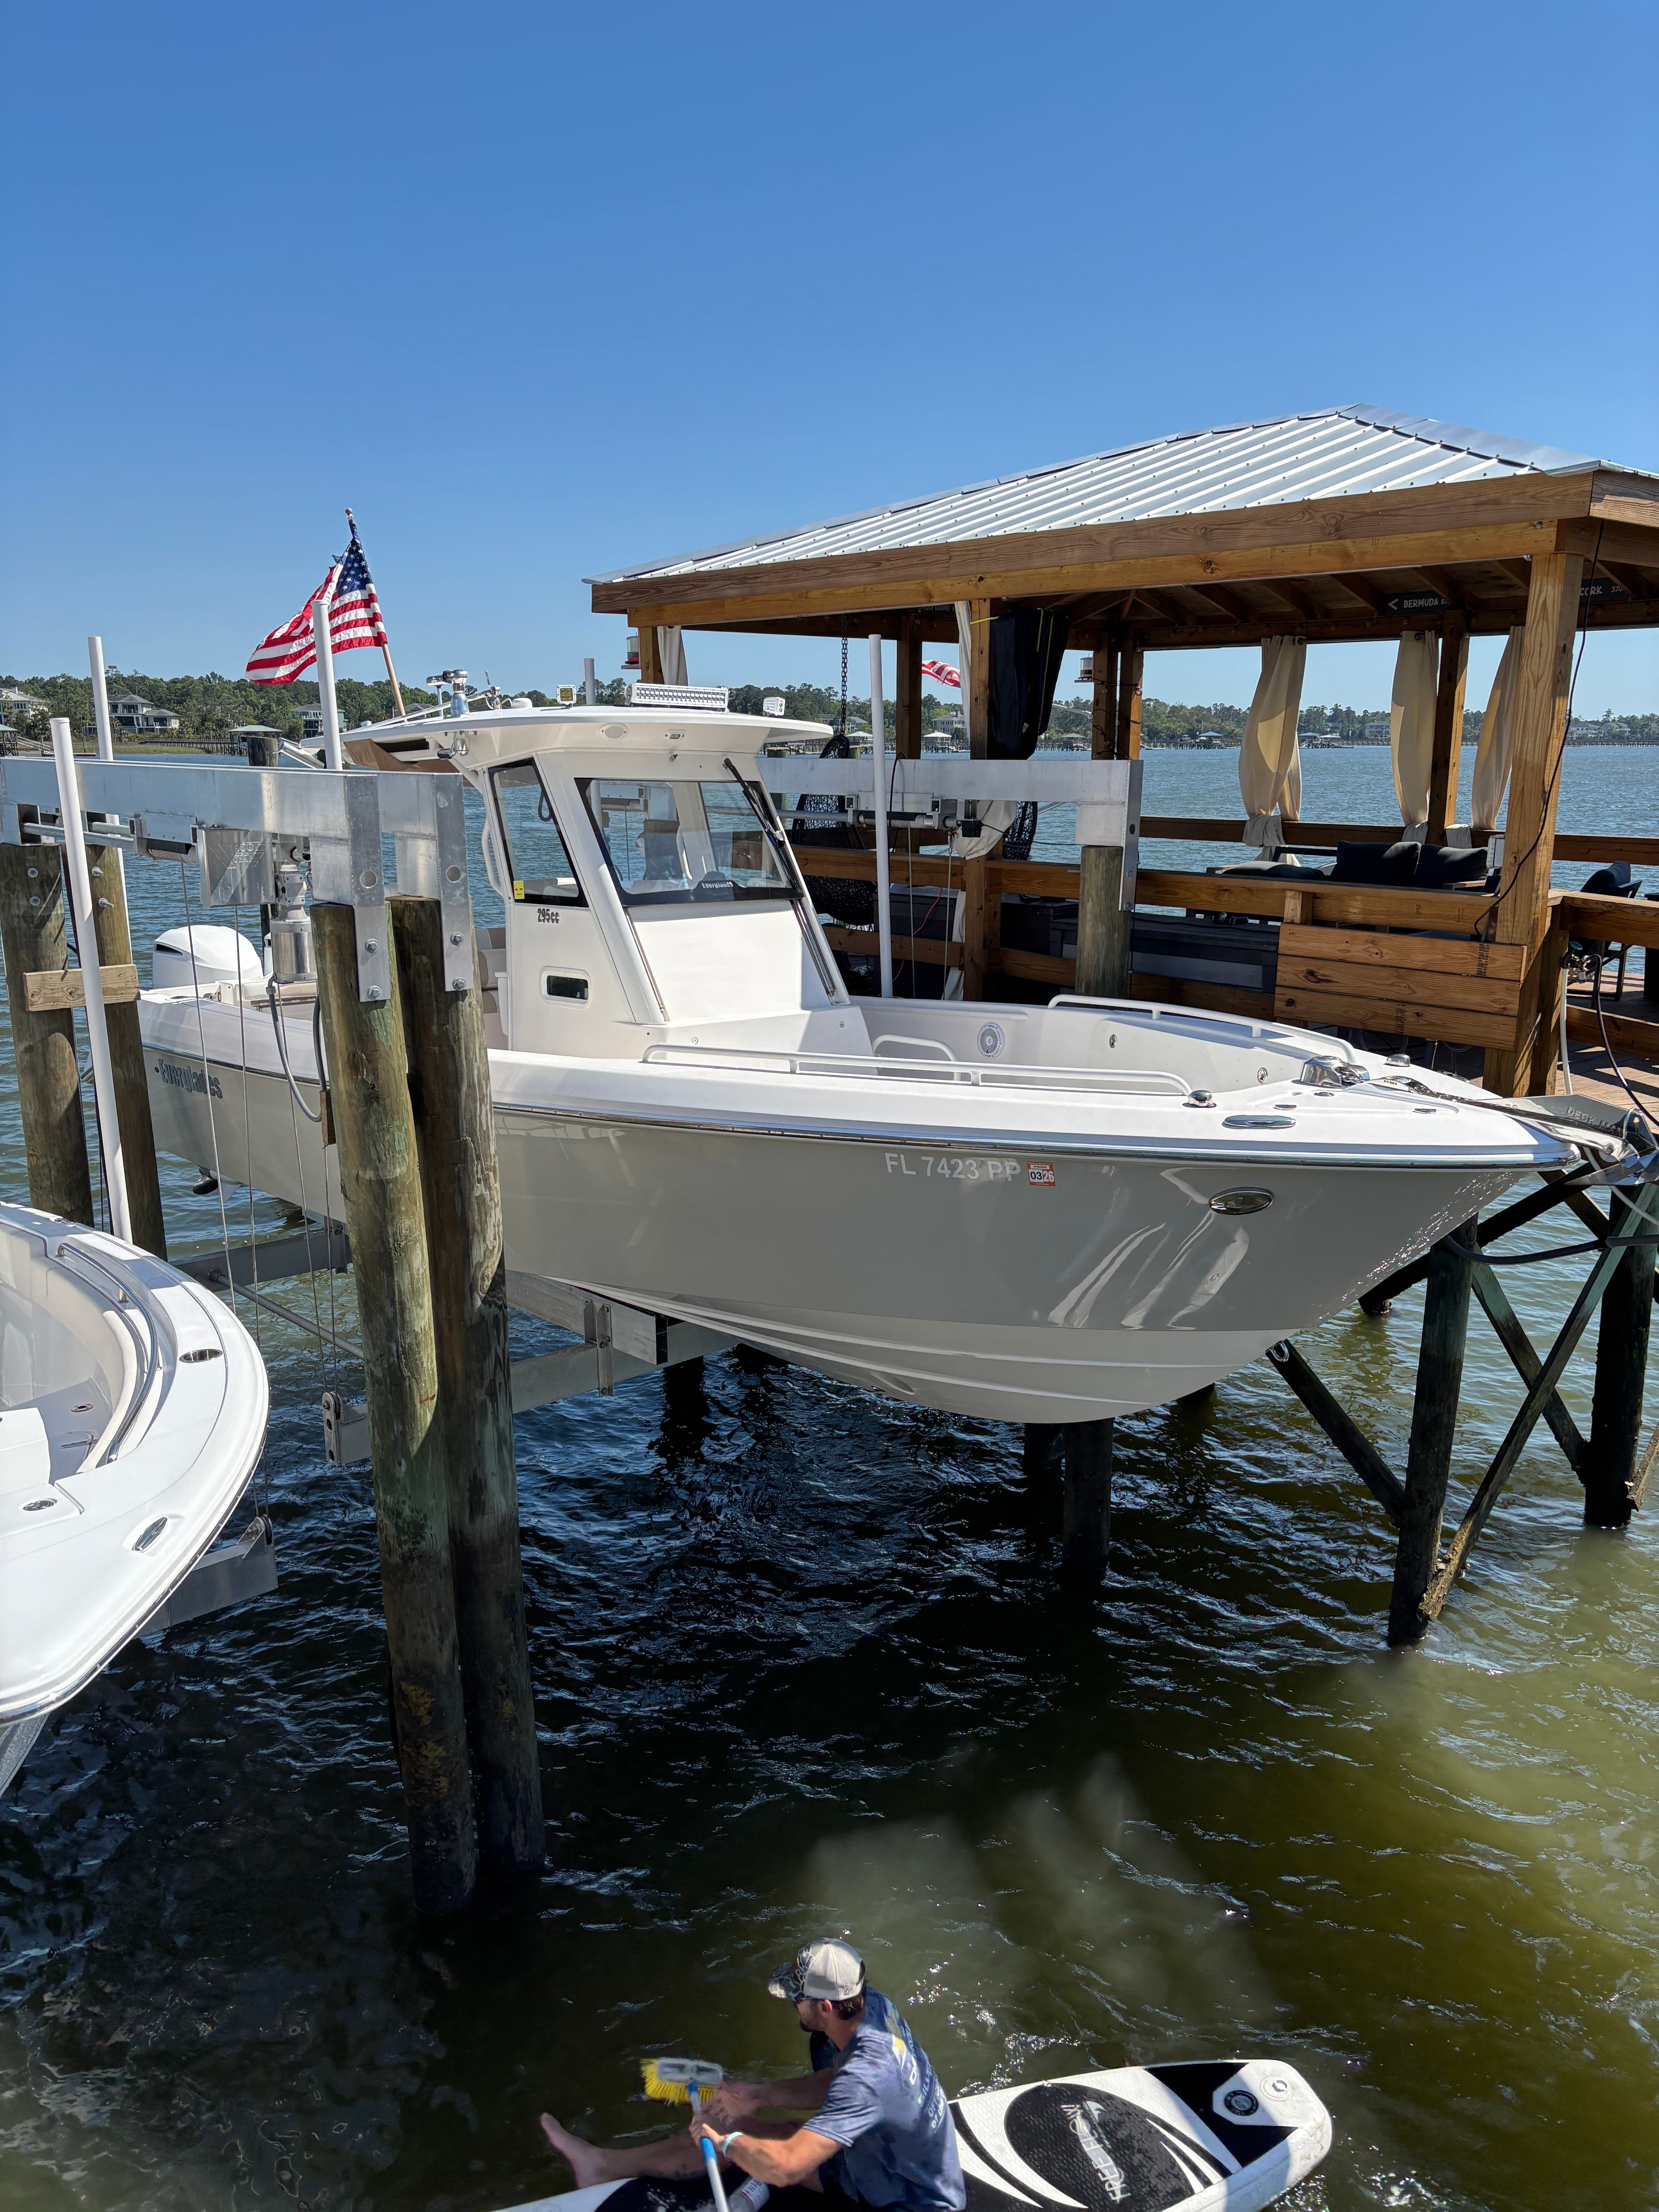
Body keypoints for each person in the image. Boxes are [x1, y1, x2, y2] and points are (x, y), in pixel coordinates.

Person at [540, 1939, 965, 2211]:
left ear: (826, 2007)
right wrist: (759, 2094)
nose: (792, 2004)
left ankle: (613, 2164)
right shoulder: (875, 2008)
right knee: (756, 2129)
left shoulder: (867, 2078)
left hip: (906, 2201)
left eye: (797, 1999)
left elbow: (786, 2167)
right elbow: (836, 2082)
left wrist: (724, 2142)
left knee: (743, 2141)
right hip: (892, 2165)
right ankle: (600, 2165)